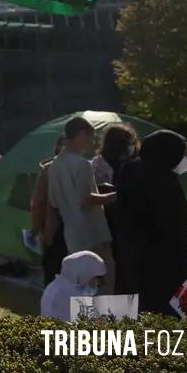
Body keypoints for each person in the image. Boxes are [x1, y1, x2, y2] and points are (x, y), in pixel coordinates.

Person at [114, 130, 187, 314]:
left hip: (132, 262)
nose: (184, 161)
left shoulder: (131, 172)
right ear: (168, 154)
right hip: (166, 266)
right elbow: (173, 229)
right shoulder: (165, 185)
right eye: (182, 156)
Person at [48, 117, 116, 293]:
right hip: (91, 232)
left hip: (70, 232)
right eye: (90, 138)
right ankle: (104, 319)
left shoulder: (54, 164)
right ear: (81, 134)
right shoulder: (82, 164)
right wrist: (113, 196)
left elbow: (54, 201)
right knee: (103, 281)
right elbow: (85, 200)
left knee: (80, 284)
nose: (91, 143)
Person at [30, 136, 68, 284]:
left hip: (54, 228)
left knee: (53, 272)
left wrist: (36, 227)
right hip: (77, 229)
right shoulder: (85, 165)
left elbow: (38, 201)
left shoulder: (49, 169)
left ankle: (53, 304)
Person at [40, 251, 106, 321]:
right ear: (83, 274)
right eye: (94, 278)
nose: (96, 285)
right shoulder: (63, 295)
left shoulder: (59, 287)